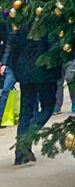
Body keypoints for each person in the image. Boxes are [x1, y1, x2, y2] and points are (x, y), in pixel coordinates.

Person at [3, 24, 59, 164]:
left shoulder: (24, 24)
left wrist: (15, 68)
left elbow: (14, 46)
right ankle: (25, 140)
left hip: (25, 70)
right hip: (44, 71)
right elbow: (54, 48)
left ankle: (20, 154)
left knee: (26, 111)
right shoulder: (50, 22)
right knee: (47, 107)